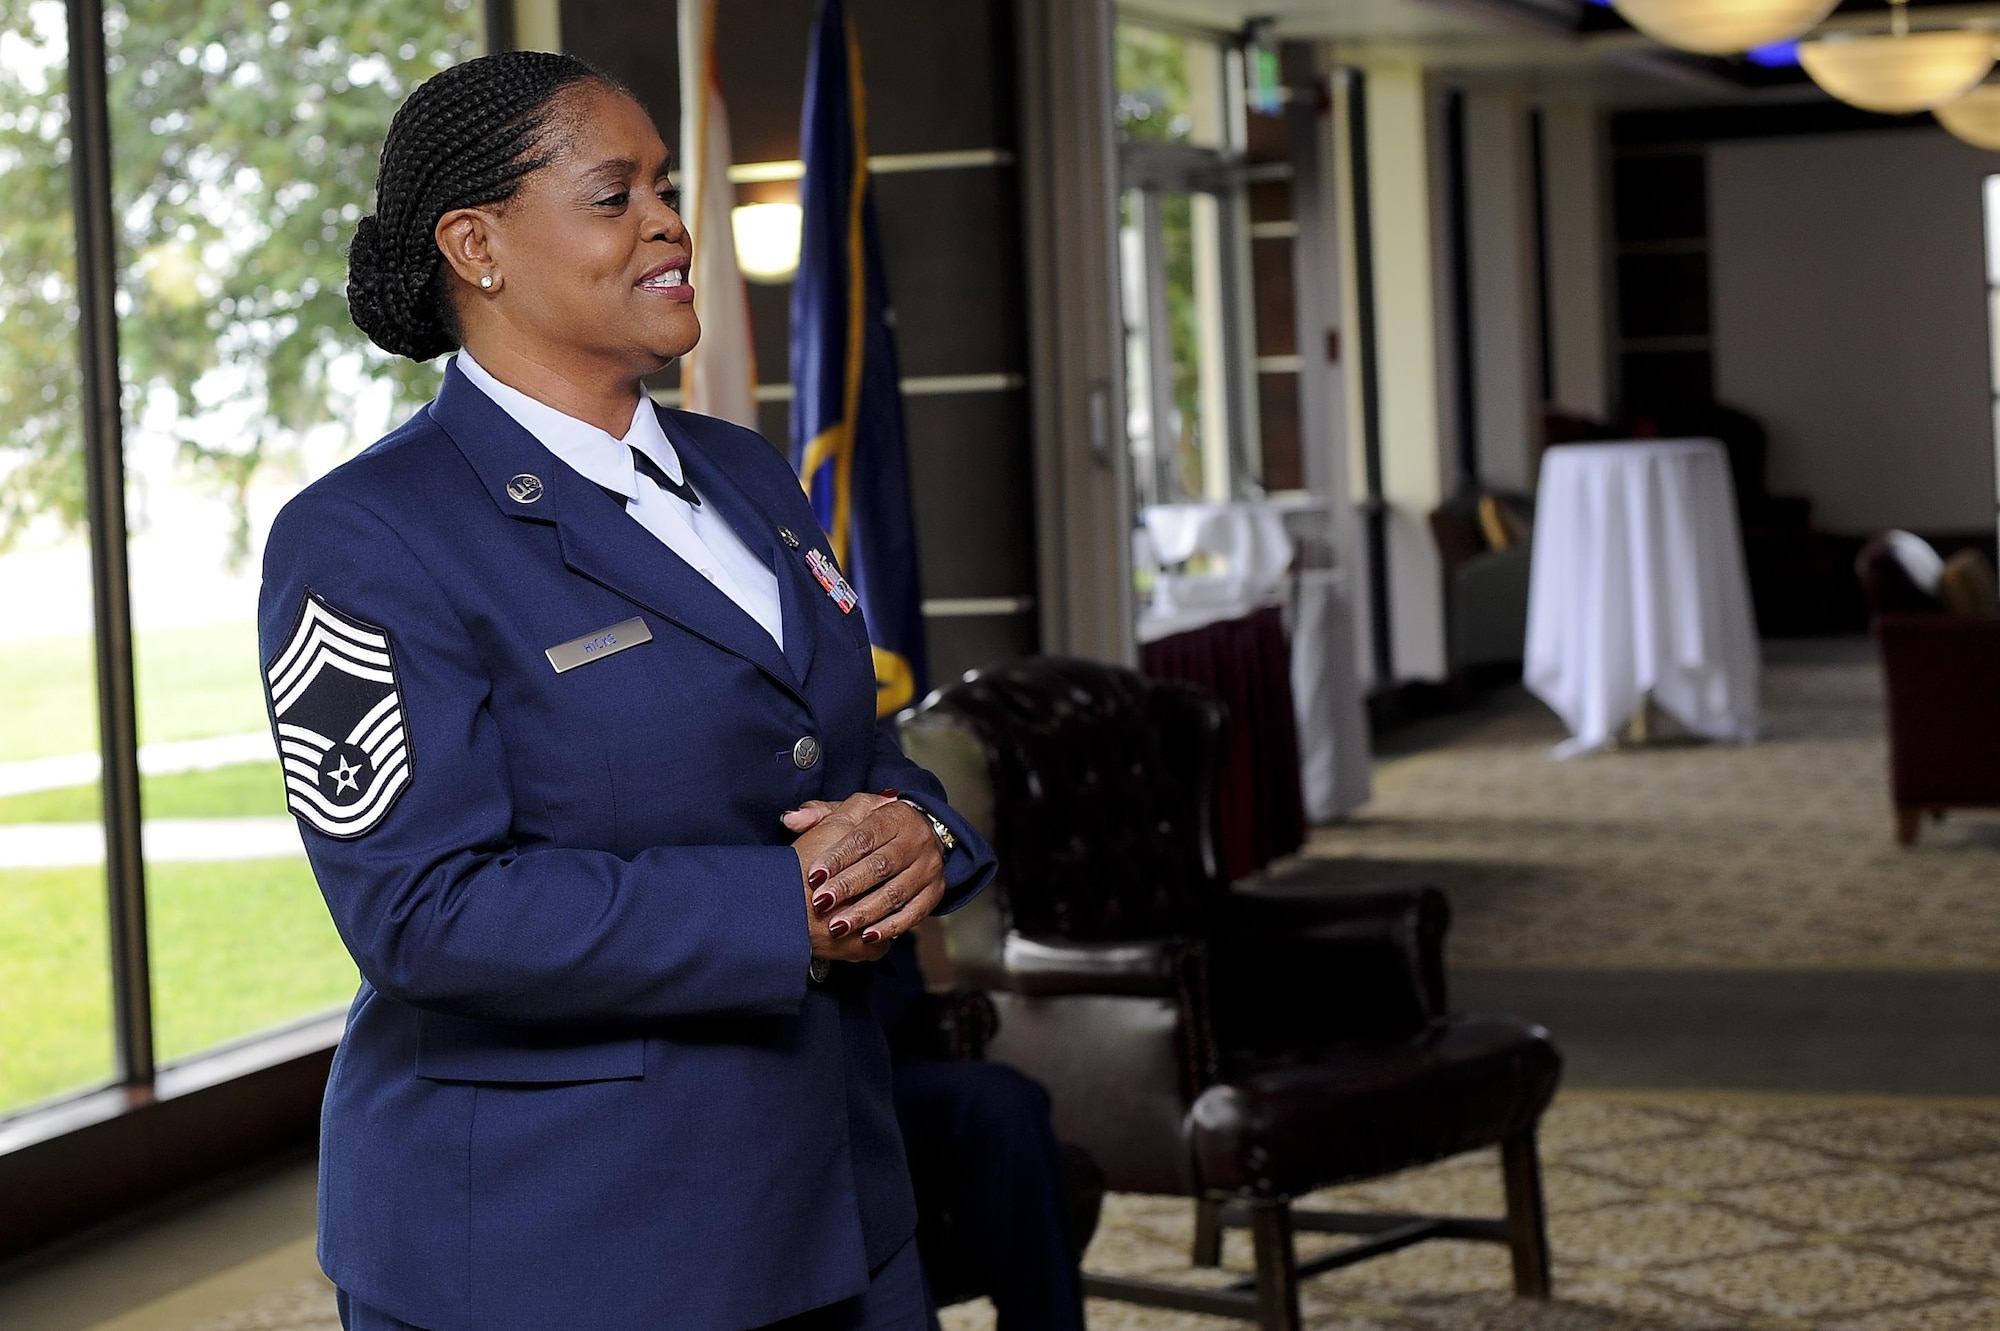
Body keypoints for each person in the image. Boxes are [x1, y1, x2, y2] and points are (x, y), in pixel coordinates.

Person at [257, 51, 994, 1331]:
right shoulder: (366, 535)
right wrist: (794, 903)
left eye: (664, 183)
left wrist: (919, 830)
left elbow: (838, 749)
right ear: (475, 245)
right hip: (565, 1236)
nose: (669, 219)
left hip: (832, 1187)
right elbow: (427, 913)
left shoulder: (746, 473)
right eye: (615, 195)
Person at [872, 937, 1092, 1331]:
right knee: (862, 1141)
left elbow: (898, 980)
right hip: (781, 1074)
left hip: (880, 1054)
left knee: (1006, 1102)